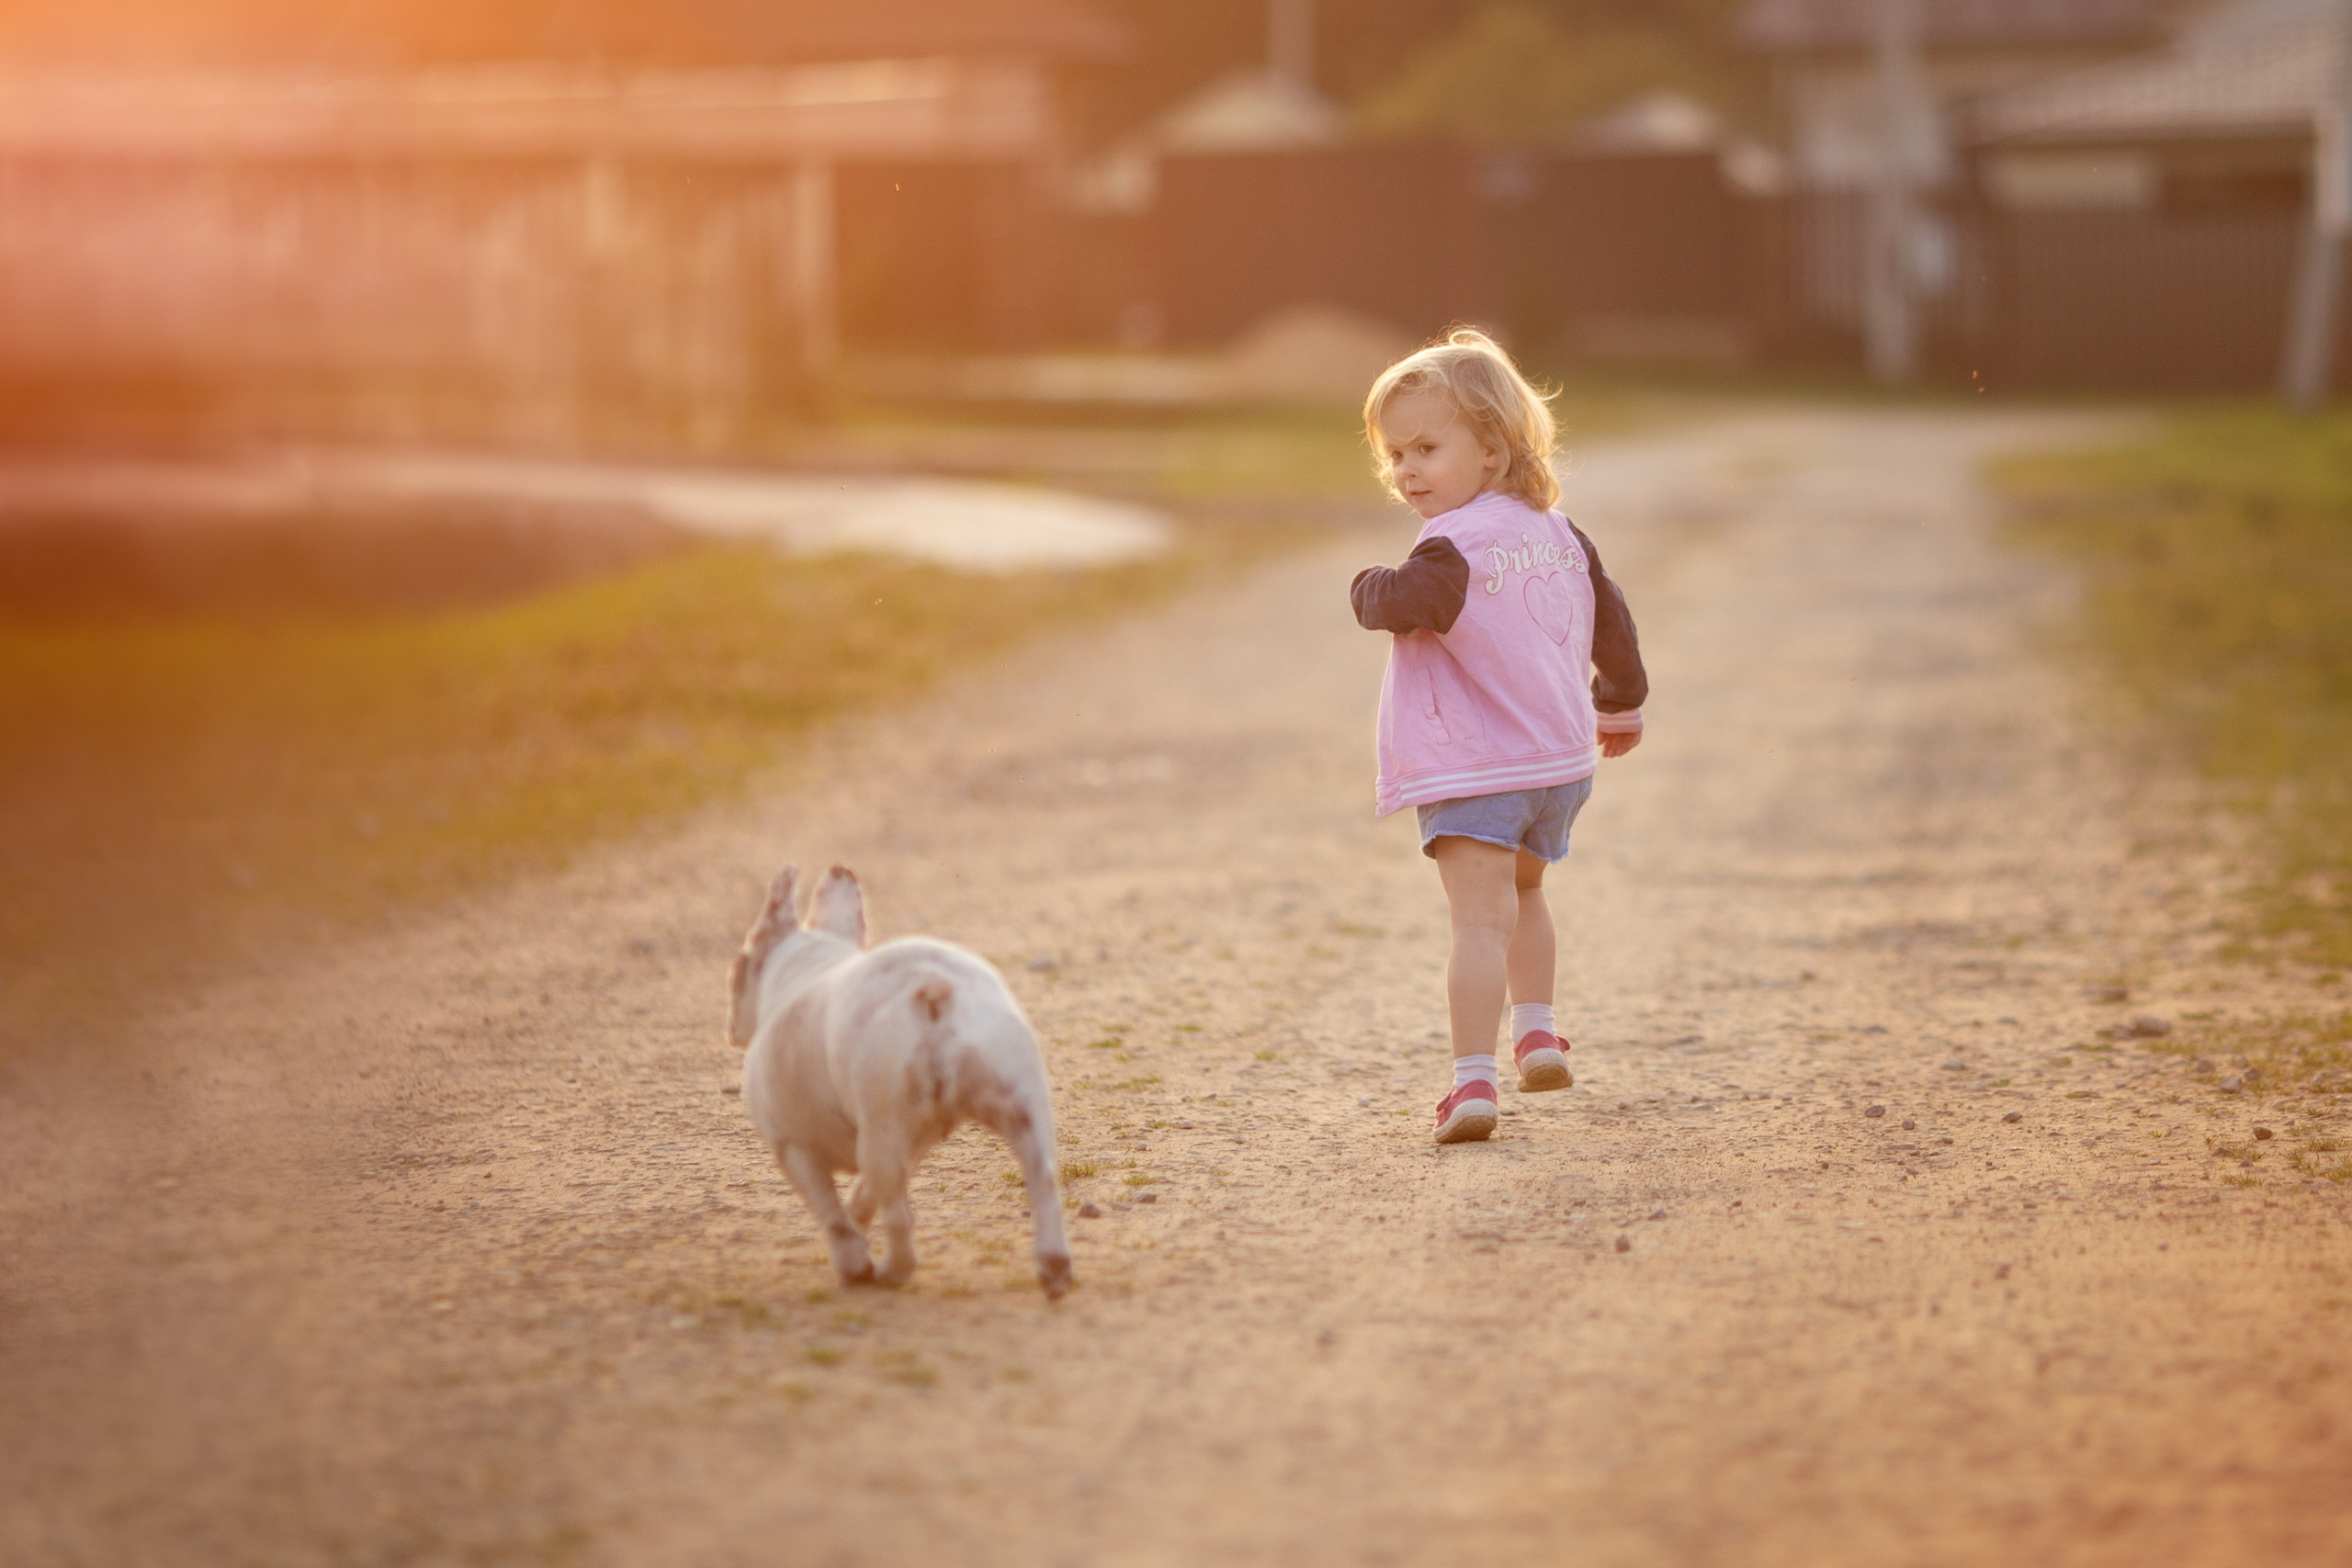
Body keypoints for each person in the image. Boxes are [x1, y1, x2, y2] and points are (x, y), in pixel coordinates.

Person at [1349, 329, 1648, 1145]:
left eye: (1425, 448)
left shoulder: (1451, 547)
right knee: (1526, 894)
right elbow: (1610, 616)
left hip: (1479, 772)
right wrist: (1619, 701)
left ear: (1490, 449)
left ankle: (1472, 1084)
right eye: (1394, 456)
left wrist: (1365, 585)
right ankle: (1539, 1030)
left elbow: (1407, 601)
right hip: (1555, 765)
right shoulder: (1558, 531)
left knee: (1478, 925)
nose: (1407, 471)